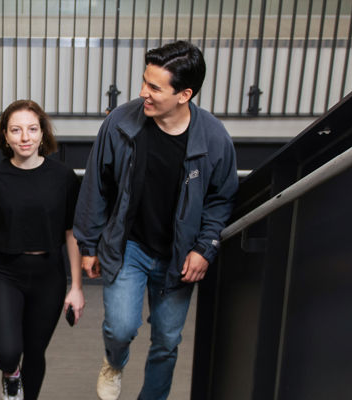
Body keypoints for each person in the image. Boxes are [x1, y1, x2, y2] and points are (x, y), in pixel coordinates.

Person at [73, 41, 238, 400]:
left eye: (155, 87)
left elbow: (221, 199)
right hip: (129, 245)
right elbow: (95, 187)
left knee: (166, 341)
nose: (142, 93)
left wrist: (205, 248)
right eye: (144, 82)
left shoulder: (214, 139)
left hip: (179, 256)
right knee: (121, 329)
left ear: (185, 94)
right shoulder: (120, 123)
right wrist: (89, 246)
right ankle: (114, 363)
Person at [0, 100, 85, 400]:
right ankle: (10, 374)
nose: (25, 137)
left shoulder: (63, 177)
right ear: (5, 136)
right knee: (7, 352)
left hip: (48, 275)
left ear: (43, 134)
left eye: (32, 129)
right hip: (3, 273)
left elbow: (72, 233)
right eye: (16, 130)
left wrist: (77, 286)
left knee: (35, 351)